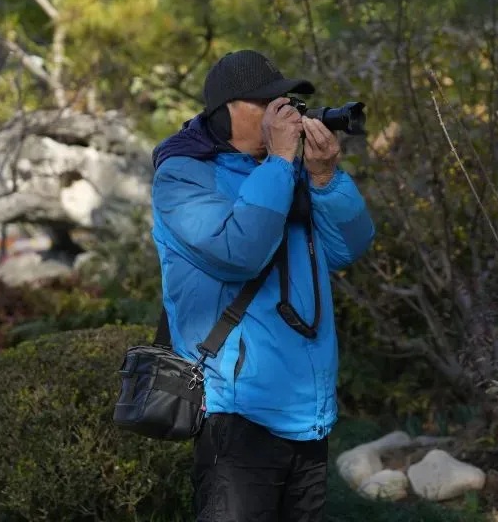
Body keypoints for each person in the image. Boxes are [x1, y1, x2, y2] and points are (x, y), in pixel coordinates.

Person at [151, 50, 375, 522]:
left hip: (308, 414)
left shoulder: (285, 172)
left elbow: (349, 248)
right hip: (237, 414)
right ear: (226, 111)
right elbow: (240, 252)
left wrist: (324, 178)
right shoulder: (183, 176)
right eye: (268, 102)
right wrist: (278, 162)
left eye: (287, 100)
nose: (284, 111)